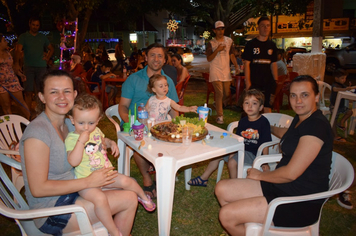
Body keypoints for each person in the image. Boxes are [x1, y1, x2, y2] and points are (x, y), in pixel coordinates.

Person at [19, 70, 137, 236]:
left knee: (127, 189)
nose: (62, 97)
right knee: (130, 199)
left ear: (74, 94)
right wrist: (88, 182)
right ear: (42, 97)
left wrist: (107, 143)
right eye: (53, 92)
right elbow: (38, 189)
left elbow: (93, 141)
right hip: (52, 211)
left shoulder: (70, 123)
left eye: (66, 91)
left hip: (72, 192)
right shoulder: (38, 133)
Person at [215, 75, 333, 235]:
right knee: (221, 188)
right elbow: (288, 134)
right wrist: (267, 127)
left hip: (298, 200)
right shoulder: (301, 119)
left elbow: (291, 173)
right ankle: (254, 226)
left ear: (317, 97)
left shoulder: (316, 126)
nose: (298, 100)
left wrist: (260, 175)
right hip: (282, 186)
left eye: (304, 95)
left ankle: (251, 225)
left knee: (226, 215)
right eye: (293, 95)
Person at [65, 94, 155, 235]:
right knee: (100, 200)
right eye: (81, 123)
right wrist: (81, 142)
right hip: (86, 182)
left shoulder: (96, 131)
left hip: (105, 175)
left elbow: (102, 140)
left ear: (98, 120)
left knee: (127, 180)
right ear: (72, 120)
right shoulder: (72, 138)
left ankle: (143, 197)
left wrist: (111, 143)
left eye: (91, 123)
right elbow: (73, 161)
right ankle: (113, 230)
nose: (86, 128)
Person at [119, 43, 179, 199]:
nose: (156, 59)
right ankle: (147, 178)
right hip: (137, 123)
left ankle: (161, 171)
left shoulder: (168, 82)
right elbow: (123, 107)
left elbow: (173, 108)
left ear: (165, 60)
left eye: (160, 56)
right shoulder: (134, 79)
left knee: (172, 137)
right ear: (145, 57)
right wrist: (132, 124)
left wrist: (175, 124)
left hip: (160, 124)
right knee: (141, 138)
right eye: (152, 55)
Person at [188, 89, 271, 186]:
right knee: (218, 155)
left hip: (253, 154)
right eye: (247, 103)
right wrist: (233, 152)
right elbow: (238, 139)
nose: (250, 106)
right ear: (242, 105)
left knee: (232, 162)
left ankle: (234, 186)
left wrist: (265, 161)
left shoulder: (263, 123)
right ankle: (203, 178)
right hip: (241, 149)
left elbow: (265, 144)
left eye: (254, 103)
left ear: (261, 107)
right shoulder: (243, 121)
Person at [14, 16, 54, 117]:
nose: (35, 27)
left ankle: (41, 113)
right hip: (28, 67)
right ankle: (28, 115)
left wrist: (47, 57)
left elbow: (51, 48)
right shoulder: (24, 36)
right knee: (28, 91)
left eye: (37, 25)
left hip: (41, 66)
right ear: (29, 24)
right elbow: (18, 50)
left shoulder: (42, 37)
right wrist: (17, 63)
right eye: (33, 25)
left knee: (41, 90)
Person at [242, 16, 278, 113]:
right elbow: (247, 64)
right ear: (258, 28)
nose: (265, 28)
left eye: (267, 26)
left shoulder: (272, 45)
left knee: (267, 106)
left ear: (270, 28)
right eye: (263, 26)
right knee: (253, 107)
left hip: (268, 82)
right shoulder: (250, 45)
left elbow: (273, 64)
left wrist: (275, 80)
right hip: (255, 82)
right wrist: (248, 82)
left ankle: (267, 127)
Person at [206, 21, 239, 124]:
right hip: (215, 70)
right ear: (214, 30)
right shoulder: (211, 43)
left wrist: (236, 66)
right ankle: (220, 116)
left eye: (222, 29)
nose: (221, 31)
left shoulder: (229, 41)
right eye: (219, 29)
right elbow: (209, 58)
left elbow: (232, 55)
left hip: (225, 70)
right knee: (219, 93)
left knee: (227, 92)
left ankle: (217, 103)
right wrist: (217, 50)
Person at [0, 33, 30, 120]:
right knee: (6, 106)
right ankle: (10, 126)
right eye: (4, 41)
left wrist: (20, 74)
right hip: (1, 83)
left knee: (20, 102)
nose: (6, 42)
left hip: (12, 80)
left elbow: (12, 66)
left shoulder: (8, 52)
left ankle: (30, 121)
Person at [329, 69, 355, 142]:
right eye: (342, 78)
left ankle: (341, 122)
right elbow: (335, 89)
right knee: (334, 119)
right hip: (334, 105)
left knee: (349, 112)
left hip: (340, 106)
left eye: (345, 78)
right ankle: (335, 136)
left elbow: (346, 88)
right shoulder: (335, 84)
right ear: (337, 78)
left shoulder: (342, 85)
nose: (344, 80)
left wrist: (352, 87)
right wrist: (346, 89)